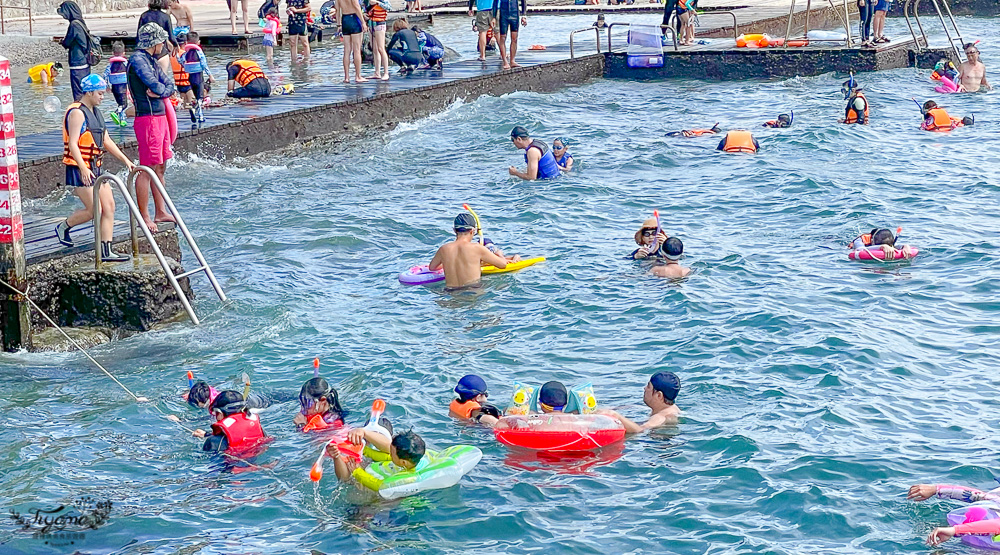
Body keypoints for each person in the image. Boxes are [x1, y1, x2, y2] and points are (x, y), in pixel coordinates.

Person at [54, 74, 136, 263]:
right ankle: (64, 227)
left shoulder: (96, 112)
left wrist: (126, 160)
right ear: (89, 92)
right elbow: (73, 144)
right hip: (79, 167)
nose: (102, 97)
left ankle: (106, 251)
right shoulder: (77, 113)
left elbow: (106, 140)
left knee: (109, 207)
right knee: (94, 210)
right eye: (99, 93)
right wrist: (83, 168)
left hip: (95, 166)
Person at [128, 23, 176, 233]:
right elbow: (155, 85)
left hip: (159, 117)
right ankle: (144, 216)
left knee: (160, 166)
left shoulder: (151, 60)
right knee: (147, 168)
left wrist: (163, 91)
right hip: (147, 119)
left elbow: (168, 86)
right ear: (155, 42)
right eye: (162, 41)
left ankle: (160, 210)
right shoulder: (138, 60)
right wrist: (163, 90)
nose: (164, 45)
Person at [429, 213, 509, 289]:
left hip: (450, 291)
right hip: (472, 290)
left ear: (454, 230)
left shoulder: (444, 249)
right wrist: (499, 254)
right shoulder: (477, 248)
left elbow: (432, 267)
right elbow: (502, 265)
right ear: (472, 231)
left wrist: (448, 263)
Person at [328, 429, 425, 486]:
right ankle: (337, 456)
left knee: (351, 476)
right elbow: (386, 457)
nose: (389, 453)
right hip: (379, 470)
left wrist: (357, 472)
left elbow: (378, 485)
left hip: (380, 495)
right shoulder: (408, 461)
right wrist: (365, 451)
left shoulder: (406, 479)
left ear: (403, 462)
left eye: (391, 453)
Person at [600, 371, 681, 432]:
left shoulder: (661, 417)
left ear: (659, 395)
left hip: (656, 445)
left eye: (649, 386)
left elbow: (640, 430)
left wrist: (615, 415)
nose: (645, 388)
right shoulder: (670, 408)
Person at [198, 390, 269, 453]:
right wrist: (206, 434)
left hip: (229, 466)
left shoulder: (213, 442)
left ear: (220, 413)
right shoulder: (259, 430)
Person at [57, 1, 93, 101]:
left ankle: (79, 113)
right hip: (85, 61)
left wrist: (62, 42)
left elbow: (67, 42)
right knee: (85, 90)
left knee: (78, 93)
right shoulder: (81, 23)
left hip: (77, 62)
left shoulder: (74, 25)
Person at [186, 380, 272, 416]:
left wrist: (182, 420)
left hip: (262, 406)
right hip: (259, 398)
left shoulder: (220, 405)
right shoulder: (214, 394)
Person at [179, 32, 212, 123]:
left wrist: (185, 66)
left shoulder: (186, 53)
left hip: (190, 77)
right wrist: (210, 75)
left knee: (196, 96)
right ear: (198, 42)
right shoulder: (199, 52)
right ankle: (199, 115)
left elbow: (180, 60)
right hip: (199, 76)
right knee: (200, 98)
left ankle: (197, 112)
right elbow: (204, 64)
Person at [138, 0, 179, 65]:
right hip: (161, 50)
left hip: (147, 50)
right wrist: (176, 45)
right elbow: (171, 35)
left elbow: (139, 35)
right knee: (163, 74)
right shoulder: (165, 16)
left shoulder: (144, 16)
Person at [492, 0, 526, 69]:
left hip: (514, 14)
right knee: (503, 37)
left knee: (514, 38)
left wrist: (524, 15)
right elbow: (495, 2)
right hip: (504, 15)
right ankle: (505, 61)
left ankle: (512, 61)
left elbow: (523, 1)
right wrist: (494, 17)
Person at [337, 0, 366, 82]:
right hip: (354, 18)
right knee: (356, 50)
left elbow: (337, 9)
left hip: (344, 19)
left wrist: (339, 25)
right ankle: (358, 76)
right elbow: (356, 6)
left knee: (346, 50)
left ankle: (346, 77)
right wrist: (363, 22)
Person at [103, 43, 129, 126]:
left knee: (120, 103)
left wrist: (106, 86)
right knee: (124, 104)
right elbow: (130, 72)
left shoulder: (110, 65)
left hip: (114, 87)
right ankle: (116, 113)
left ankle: (122, 120)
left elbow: (105, 75)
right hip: (122, 86)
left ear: (113, 53)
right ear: (124, 53)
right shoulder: (125, 63)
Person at [366, 0, 391, 80]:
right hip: (371, 24)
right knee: (375, 49)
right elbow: (363, 8)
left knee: (381, 48)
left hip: (379, 24)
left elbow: (389, 7)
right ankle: (377, 72)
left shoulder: (383, 1)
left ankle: (386, 72)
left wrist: (377, 3)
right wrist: (364, 15)